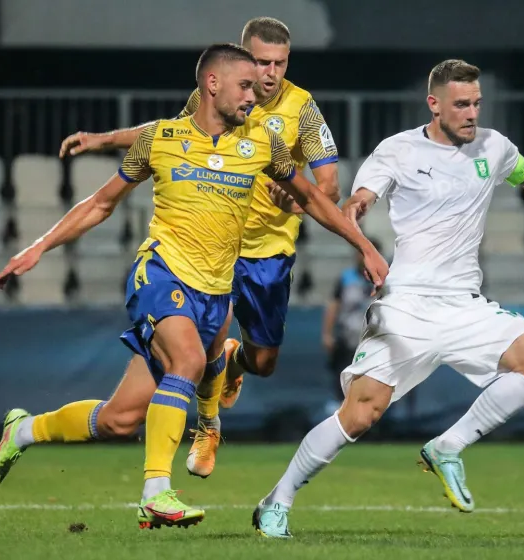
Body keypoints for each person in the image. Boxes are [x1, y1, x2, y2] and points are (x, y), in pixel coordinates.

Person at [0, 43, 388, 531]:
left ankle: (20, 431)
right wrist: (38, 248)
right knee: (190, 363)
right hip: (161, 274)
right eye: (244, 87)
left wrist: (362, 244)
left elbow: (314, 200)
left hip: (216, 295)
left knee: (119, 420)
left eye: (257, 90)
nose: (253, 97)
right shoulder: (162, 138)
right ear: (212, 84)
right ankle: (156, 492)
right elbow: (100, 203)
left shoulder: (263, 144)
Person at [252, 59, 524, 539]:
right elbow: (361, 199)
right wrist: (357, 221)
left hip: (464, 304)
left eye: (476, 102)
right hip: (407, 302)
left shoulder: (493, 147)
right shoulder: (397, 150)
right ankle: (277, 499)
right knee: (360, 413)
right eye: (461, 104)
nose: (471, 112)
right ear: (434, 104)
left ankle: (447, 447)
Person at [58, 17, 341, 478]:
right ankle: (204, 429)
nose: (269, 73)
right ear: (244, 59)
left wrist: (295, 199)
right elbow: (170, 131)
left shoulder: (303, 109)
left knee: (264, 363)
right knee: (192, 355)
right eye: (261, 62)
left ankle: (233, 362)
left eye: (280, 63)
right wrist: (106, 138)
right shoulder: (223, 98)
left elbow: (327, 183)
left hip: (267, 252)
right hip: (209, 249)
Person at [322, 241, 382, 404]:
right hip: (348, 339)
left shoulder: (383, 279)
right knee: (344, 382)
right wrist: (327, 334)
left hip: (373, 343)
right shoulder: (346, 278)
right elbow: (334, 304)